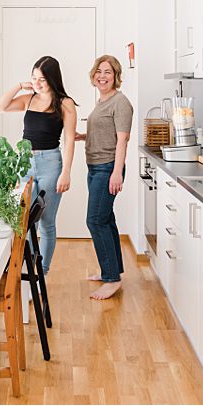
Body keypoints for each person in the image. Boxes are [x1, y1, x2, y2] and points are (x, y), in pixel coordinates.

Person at [0, 57, 78, 282]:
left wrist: (66, 172)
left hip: (52, 163)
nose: (38, 83)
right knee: (25, 220)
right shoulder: (28, 99)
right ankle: (27, 271)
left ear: (52, 79)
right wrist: (18, 86)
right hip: (26, 163)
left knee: (46, 222)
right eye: (34, 78)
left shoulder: (65, 103)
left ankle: (42, 273)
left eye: (42, 79)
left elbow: (70, 140)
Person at [78, 54, 134, 301]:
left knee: (95, 221)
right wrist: (83, 137)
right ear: (94, 75)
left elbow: (122, 140)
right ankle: (111, 271)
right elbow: (104, 132)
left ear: (116, 76)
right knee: (106, 220)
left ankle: (112, 279)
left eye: (108, 72)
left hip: (108, 168)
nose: (102, 76)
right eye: (99, 71)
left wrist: (116, 173)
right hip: (95, 167)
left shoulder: (121, 102)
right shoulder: (102, 101)